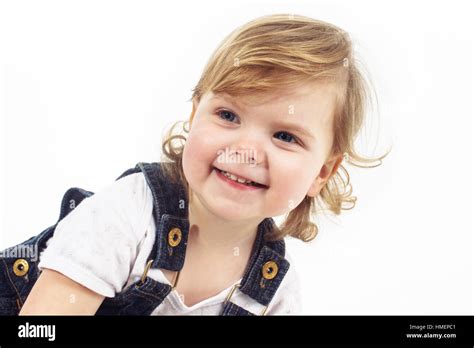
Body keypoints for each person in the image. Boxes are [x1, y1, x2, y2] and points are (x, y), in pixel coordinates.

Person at [2, 13, 388, 315]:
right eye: (228, 115)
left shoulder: (272, 295)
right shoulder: (126, 217)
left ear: (322, 172)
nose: (245, 150)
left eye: (285, 136)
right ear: (194, 113)